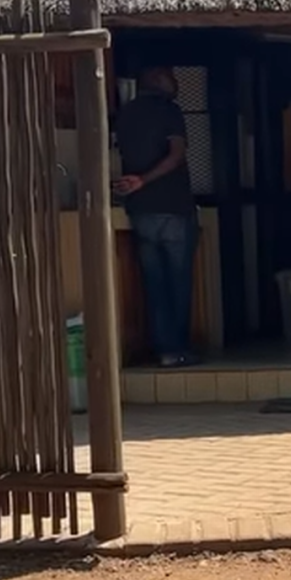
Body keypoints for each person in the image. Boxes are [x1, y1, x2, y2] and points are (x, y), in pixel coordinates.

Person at [114, 67, 198, 367]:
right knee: (179, 281)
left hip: (140, 210)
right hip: (173, 205)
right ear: (157, 81)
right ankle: (179, 349)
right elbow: (176, 155)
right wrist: (145, 179)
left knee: (154, 284)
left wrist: (133, 184)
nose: (175, 83)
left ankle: (164, 350)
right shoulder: (169, 111)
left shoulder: (125, 113)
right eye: (170, 78)